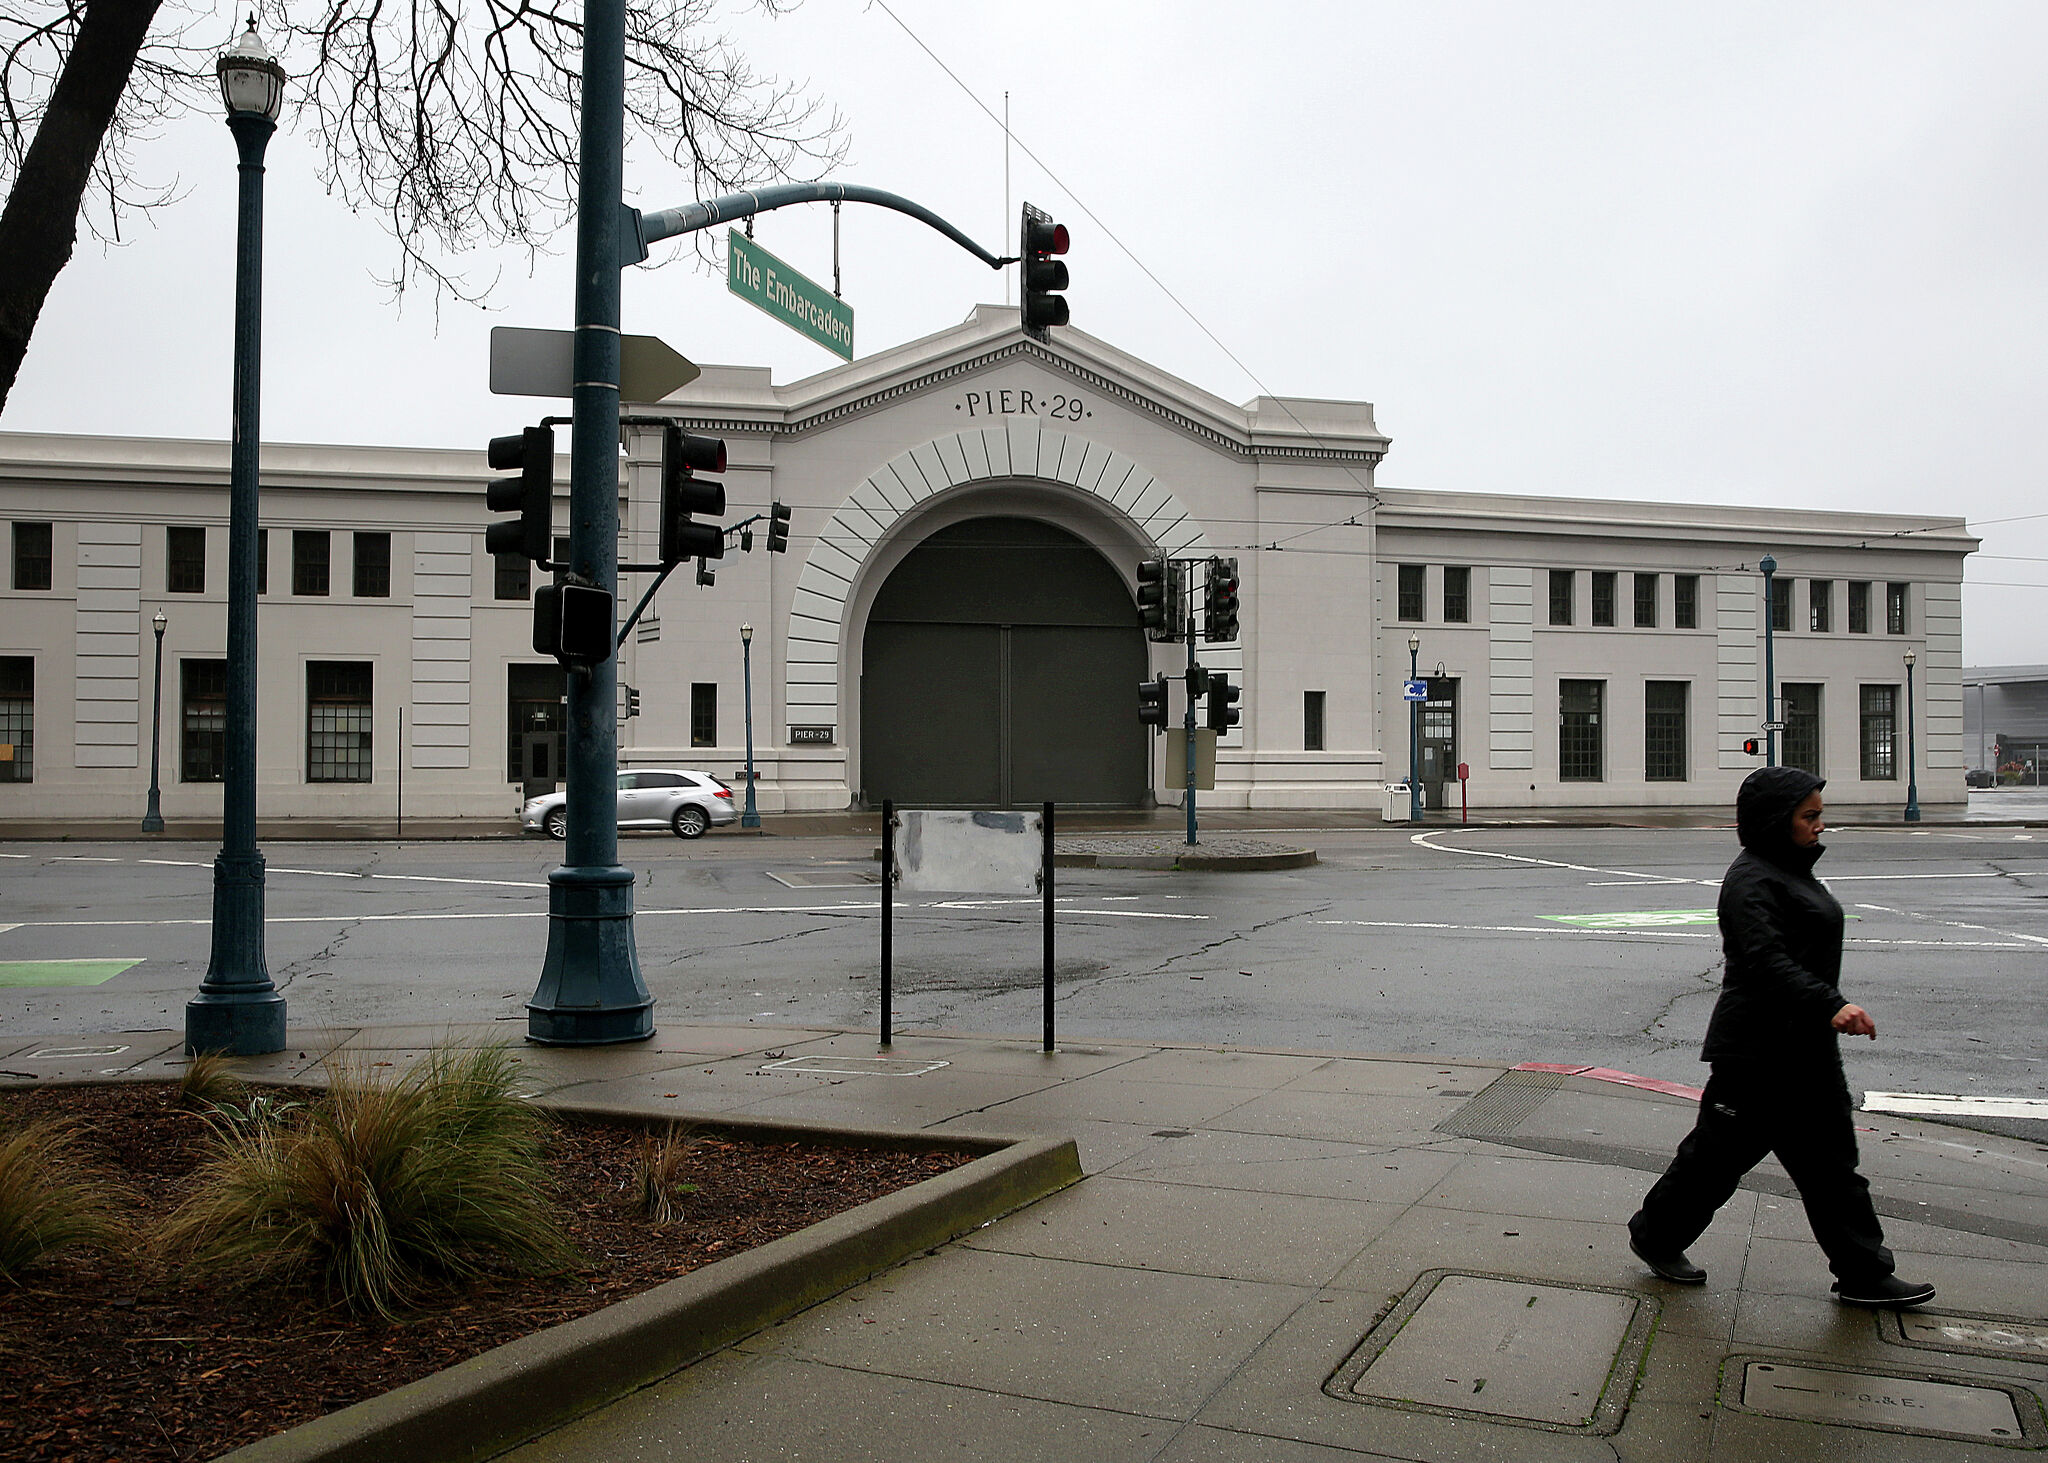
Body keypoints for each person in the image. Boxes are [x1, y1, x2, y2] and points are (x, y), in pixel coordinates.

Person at [1627, 765, 1936, 1308]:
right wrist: (1832, 1005)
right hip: (1756, 1055)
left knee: (1833, 1168)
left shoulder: (1789, 869)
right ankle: (1655, 1237)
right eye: (1809, 815)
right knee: (1713, 1164)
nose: (1820, 825)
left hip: (1807, 1051)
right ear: (1777, 820)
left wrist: (1826, 1013)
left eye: (1820, 814)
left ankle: (1863, 1273)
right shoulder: (1753, 880)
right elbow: (1765, 961)